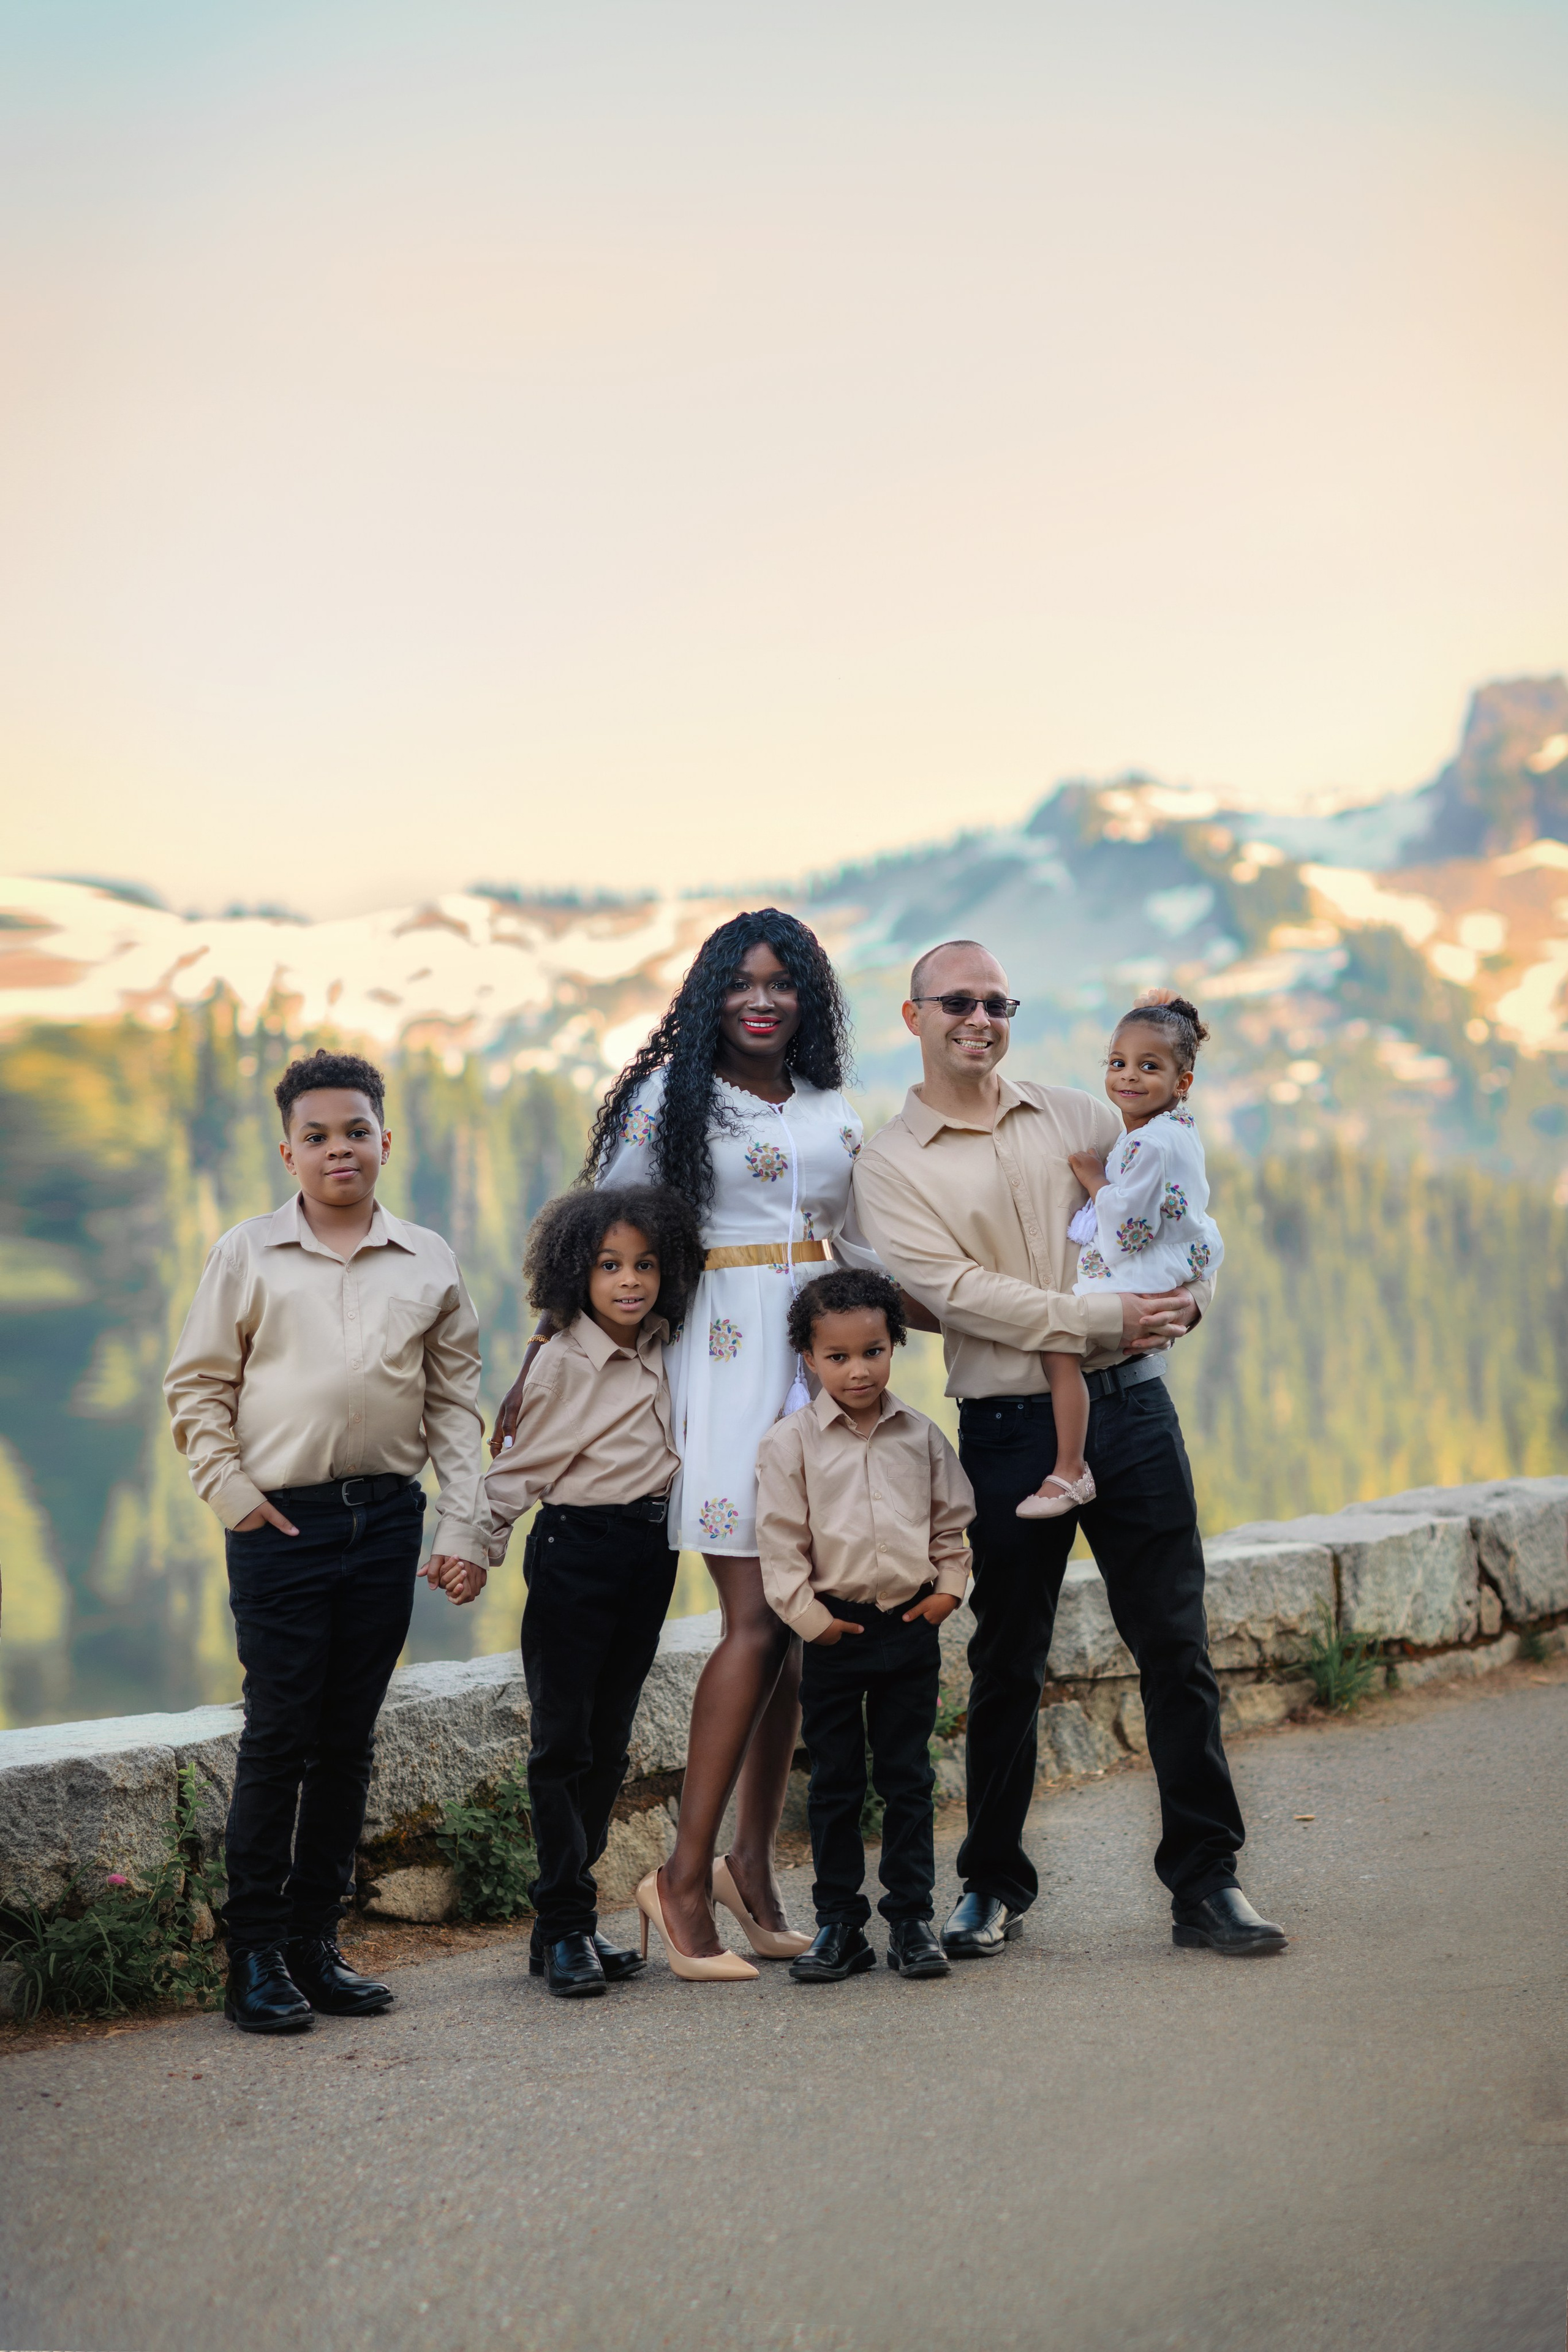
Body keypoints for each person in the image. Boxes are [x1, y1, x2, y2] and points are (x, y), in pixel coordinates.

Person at [852, 943, 1286, 1960]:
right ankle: (992, 1885)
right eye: (957, 1001)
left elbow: (1176, 1218)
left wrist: (1189, 1301)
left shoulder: (1082, 1115)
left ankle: (1208, 1882)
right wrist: (1099, 1317)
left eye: (998, 1002)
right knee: (1007, 1658)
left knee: (1175, 1648)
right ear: (914, 1017)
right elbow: (956, 1293)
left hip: (1132, 1411)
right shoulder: (891, 1163)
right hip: (1008, 1429)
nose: (980, 1017)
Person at [492, 909, 886, 1972]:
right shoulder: (673, 1097)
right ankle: (678, 1877)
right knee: (755, 1618)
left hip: (820, 1362)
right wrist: (550, 1349)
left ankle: (748, 1866)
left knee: (799, 1628)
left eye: (782, 982)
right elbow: (604, 1232)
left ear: (808, 997)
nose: (762, 1000)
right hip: (724, 1357)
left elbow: (861, 1238)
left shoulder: (827, 1102)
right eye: (741, 982)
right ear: (711, 994)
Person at [164, 1049, 493, 2035]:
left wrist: (463, 1522)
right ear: (289, 1153)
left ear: (386, 1140)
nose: (338, 1148)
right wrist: (233, 1494)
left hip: (385, 1519)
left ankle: (315, 1943)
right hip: (283, 1525)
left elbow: (454, 1403)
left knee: (347, 1740)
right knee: (280, 1734)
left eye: (355, 1130)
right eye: (316, 1136)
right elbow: (198, 1385)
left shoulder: (428, 1259)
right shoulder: (248, 1254)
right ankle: (255, 1955)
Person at [481, 1185, 714, 1994]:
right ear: (576, 1272)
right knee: (563, 1743)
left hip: (649, 1552)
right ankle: (564, 1924)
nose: (629, 1281)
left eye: (645, 1265)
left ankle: (567, 1922)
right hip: (575, 1551)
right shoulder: (561, 1362)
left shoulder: (665, 1342)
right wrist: (473, 1549)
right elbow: (514, 1470)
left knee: (610, 1742)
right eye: (610, 1265)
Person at [755, 1268, 974, 1987]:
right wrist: (812, 1622)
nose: (858, 1370)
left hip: (910, 1625)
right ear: (809, 1359)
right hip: (835, 1633)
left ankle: (910, 1920)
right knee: (836, 1782)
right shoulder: (789, 1444)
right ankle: (839, 1925)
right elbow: (780, 1546)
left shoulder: (922, 1436)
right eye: (838, 1356)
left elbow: (951, 1525)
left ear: (893, 1346)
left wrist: (948, 1591)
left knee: (908, 1778)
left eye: (872, 1352)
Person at [1017, 991, 1226, 1520]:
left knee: (1059, 1345)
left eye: (1148, 1067)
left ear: (1182, 1083)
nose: (1129, 1076)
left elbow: (1129, 1229)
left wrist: (1094, 1179)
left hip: (1140, 1269)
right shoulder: (1176, 1132)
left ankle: (1070, 1469)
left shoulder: (1146, 1144)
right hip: (1175, 1261)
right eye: (1117, 1063)